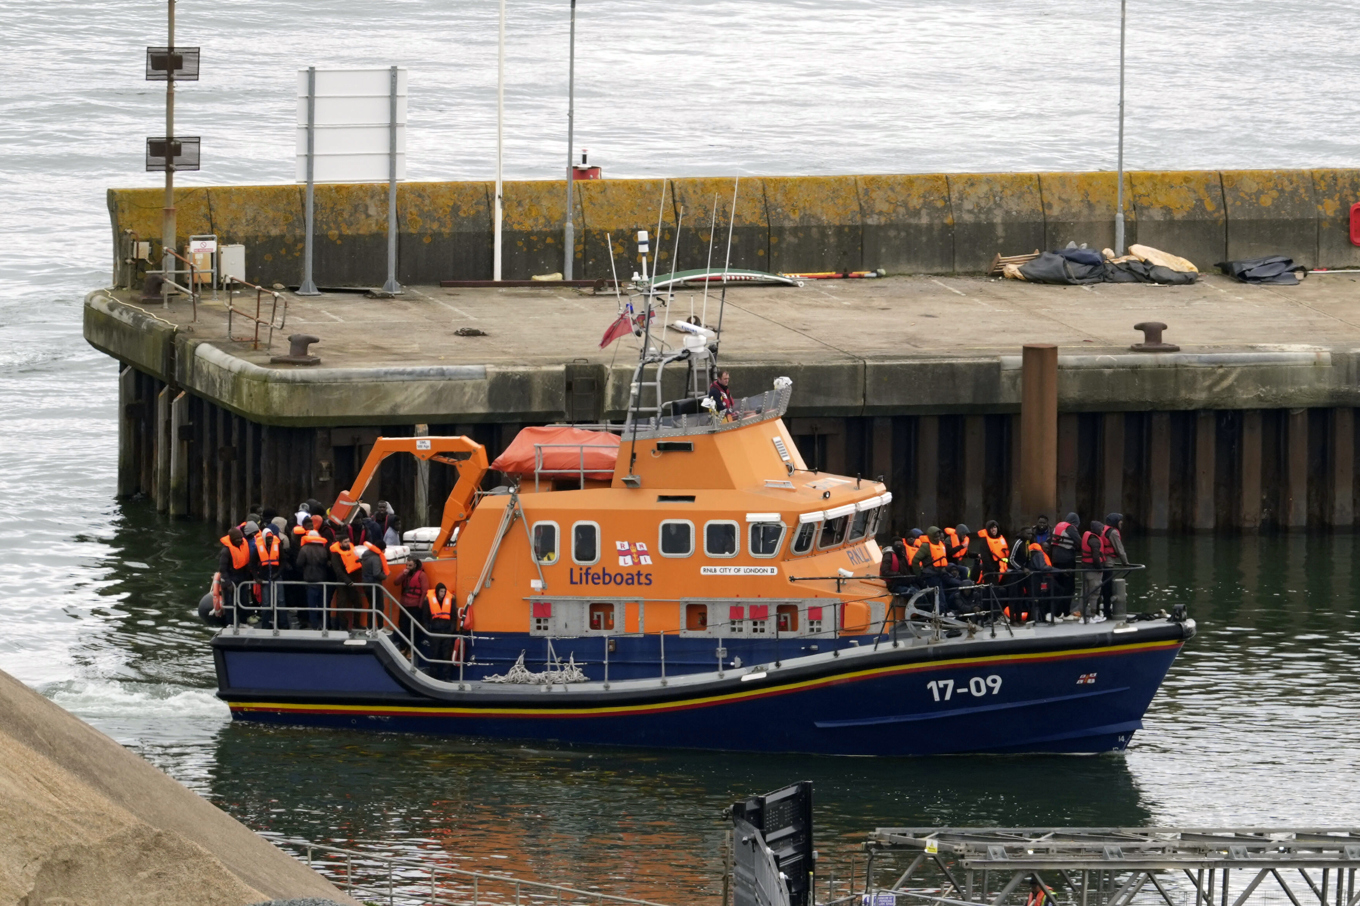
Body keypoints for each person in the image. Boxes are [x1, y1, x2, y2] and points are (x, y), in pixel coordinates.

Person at [296, 528, 331, 629]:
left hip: (310, 578)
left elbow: (299, 563)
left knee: (312, 605)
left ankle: (314, 625)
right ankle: (325, 625)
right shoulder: (323, 549)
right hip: (322, 578)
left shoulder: (304, 549)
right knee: (322, 604)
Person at [328, 537, 366, 630]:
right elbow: (338, 570)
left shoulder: (352, 550)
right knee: (342, 604)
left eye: (349, 541)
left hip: (352, 580)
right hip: (342, 583)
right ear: (340, 543)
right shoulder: (336, 555)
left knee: (358, 603)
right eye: (345, 542)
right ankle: (343, 626)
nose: (348, 543)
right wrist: (347, 581)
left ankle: (356, 623)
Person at [216, 527, 253, 622]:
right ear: (232, 540)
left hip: (242, 579)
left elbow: (246, 564)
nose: (240, 540)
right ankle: (230, 623)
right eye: (237, 539)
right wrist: (228, 583)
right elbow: (223, 569)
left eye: (240, 538)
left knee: (243, 601)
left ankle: (243, 621)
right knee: (230, 603)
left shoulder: (243, 546)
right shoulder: (226, 551)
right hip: (230, 580)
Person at [1049, 512, 1081, 618]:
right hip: (1067, 562)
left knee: (1058, 587)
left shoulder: (1057, 527)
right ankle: (1066, 612)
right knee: (1069, 587)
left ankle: (1056, 612)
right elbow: (1079, 543)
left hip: (1055, 562)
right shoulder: (1071, 528)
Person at [1100, 513, 1132, 617]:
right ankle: (1107, 612)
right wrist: (1125, 562)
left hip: (1101, 562)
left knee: (1101, 588)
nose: (1121, 522)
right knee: (1107, 589)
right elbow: (1120, 549)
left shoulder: (1103, 529)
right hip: (1108, 564)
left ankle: (1097, 610)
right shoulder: (1113, 532)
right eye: (1120, 520)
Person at [397, 559, 429, 654]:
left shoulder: (422, 575)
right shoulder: (405, 574)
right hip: (404, 604)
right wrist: (403, 574)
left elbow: (424, 591)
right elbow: (396, 582)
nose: (408, 567)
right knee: (403, 626)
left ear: (415, 565)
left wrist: (420, 606)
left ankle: (411, 650)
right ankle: (403, 648)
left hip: (415, 606)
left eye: (410, 565)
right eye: (407, 565)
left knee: (414, 629)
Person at [425, 582, 456, 680]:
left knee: (447, 655)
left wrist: (451, 630)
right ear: (437, 591)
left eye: (444, 591)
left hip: (447, 631)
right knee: (434, 654)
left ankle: (447, 677)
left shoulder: (450, 600)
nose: (443, 593)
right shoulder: (428, 601)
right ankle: (433, 676)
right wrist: (427, 630)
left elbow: (454, 616)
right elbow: (425, 616)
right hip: (434, 631)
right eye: (441, 591)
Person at [1080, 520, 1108, 620]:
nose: (1102, 531)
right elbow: (1095, 557)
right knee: (1095, 593)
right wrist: (1100, 568)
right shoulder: (1095, 541)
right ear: (1097, 529)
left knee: (1084, 592)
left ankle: (1082, 614)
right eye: (1101, 529)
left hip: (1085, 569)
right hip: (1093, 570)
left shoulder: (1088, 537)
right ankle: (1093, 615)